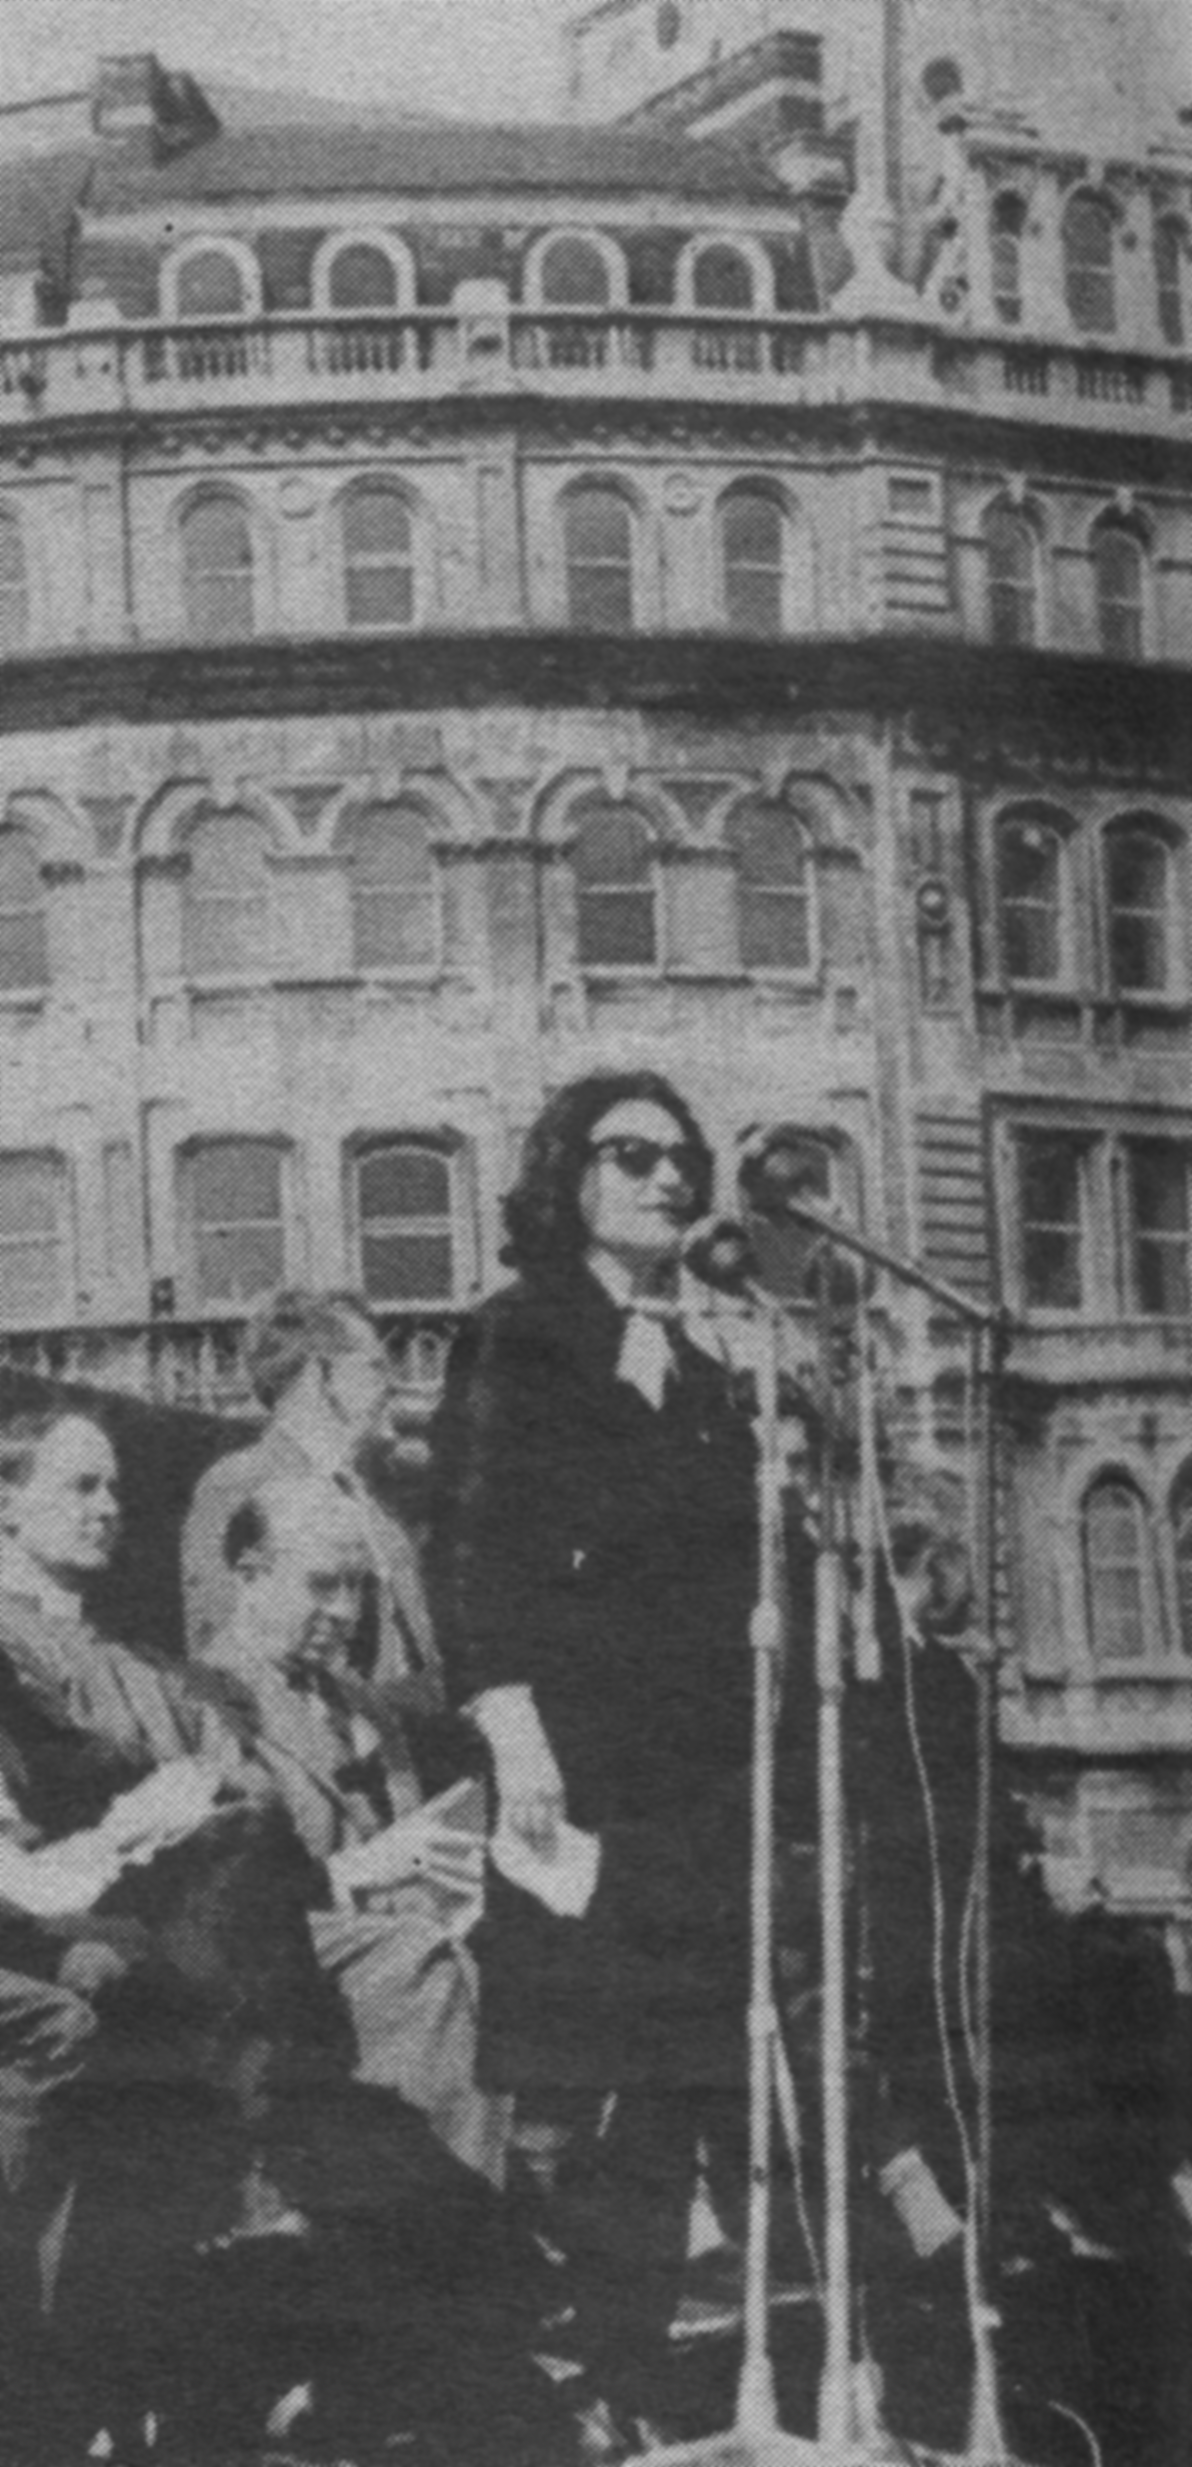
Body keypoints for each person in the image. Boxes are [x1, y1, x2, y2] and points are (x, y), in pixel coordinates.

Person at [426, 1071, 765, 2453]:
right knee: (580, 2081)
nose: (669, 1179)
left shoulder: (693, 1355)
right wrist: (512, 1726)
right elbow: (472, 1535)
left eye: (686, 1158)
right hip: (571, 1766)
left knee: (680, 2079)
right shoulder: (519, 1333)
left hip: (692, 1777)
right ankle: (564, 2390)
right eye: (634, 1155)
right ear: (567, 1176)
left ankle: (640, 2378)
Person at [0, 1401, 342, 2455]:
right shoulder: (17, 1648)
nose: (110, 1507)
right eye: (79, 1486)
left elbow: (237, 1771)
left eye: (113, 1485)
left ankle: (323, 2329)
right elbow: (71, 1789)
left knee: (385, 1954)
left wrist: (188, 1786)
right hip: (85, 1915)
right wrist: (156, 1800)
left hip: (176, 1905)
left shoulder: (135, 1653)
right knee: (121, 1991)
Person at [193, 1470, 509, 2187]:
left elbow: (412, 1832)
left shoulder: (363, 1702)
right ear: (250, 1576)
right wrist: (366, 1872)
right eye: (323, 1585)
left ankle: (475, 2224)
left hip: (389, 1938)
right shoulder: (207, 1700)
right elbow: (234, 1899)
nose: (346, 1611)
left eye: (359, 1587)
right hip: (286, 1962)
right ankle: (444, 2236)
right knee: (427, 1962)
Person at [182, 1288, 440, 1714]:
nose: (392, 1383)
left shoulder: (374, 1500)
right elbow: (226, 1677)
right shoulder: (239, 1484)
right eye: (375, 1367)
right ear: (321, 1375)